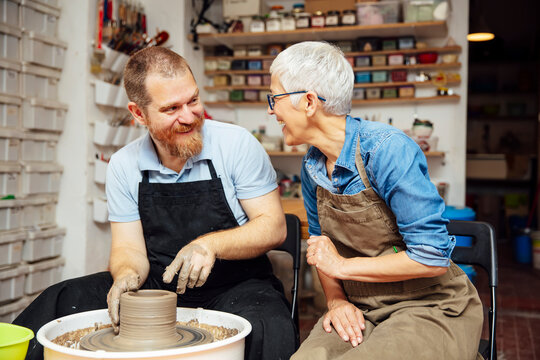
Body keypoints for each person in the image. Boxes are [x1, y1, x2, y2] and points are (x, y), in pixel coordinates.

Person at [14, 46, 297, 360]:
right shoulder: (123, 165)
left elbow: (273, 228)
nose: (189, 116)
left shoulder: (237, 144)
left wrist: (210, 245)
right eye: (172, 108)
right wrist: (125, 276)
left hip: (239, 285)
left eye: (193, 100)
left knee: (268, 326)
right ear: (138, 114)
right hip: (157, 285)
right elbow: (129, 250)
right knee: (60, 300)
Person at [267, 41, 483, 360]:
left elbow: (431, 256)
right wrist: (336, 300)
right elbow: (321, 249)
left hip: (428, 305)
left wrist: (342, 265)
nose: (271, 110)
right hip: (361, 308)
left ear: (309, 102)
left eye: (275, 98)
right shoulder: (312, 165)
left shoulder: (386, 150)